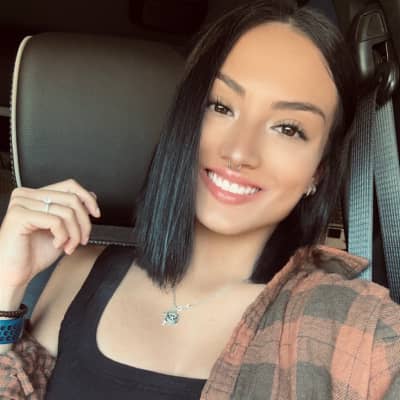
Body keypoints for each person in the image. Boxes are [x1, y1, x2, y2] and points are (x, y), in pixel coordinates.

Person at [0, 1, 399, 399]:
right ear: (185, 118)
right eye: (221, 106)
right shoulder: (74, 273)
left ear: (318, 171)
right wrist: (7, 284)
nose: (239, 152)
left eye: (288, 129)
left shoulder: (353, 325)